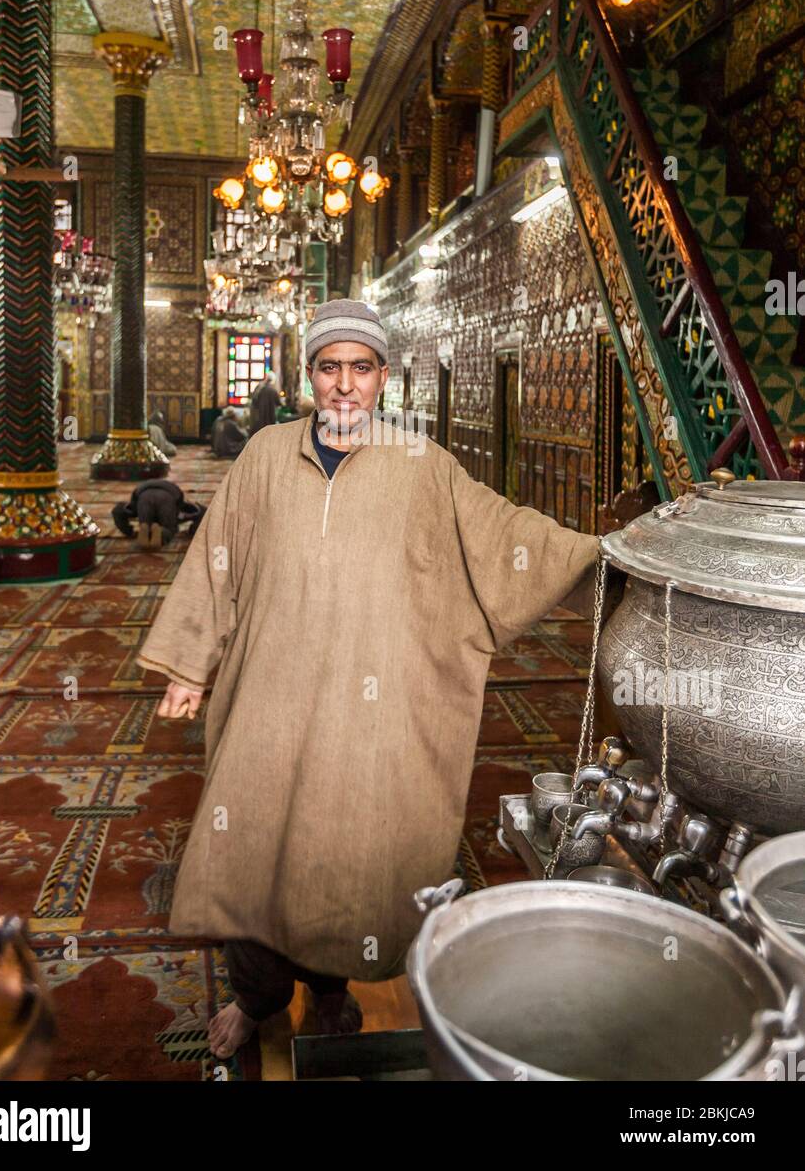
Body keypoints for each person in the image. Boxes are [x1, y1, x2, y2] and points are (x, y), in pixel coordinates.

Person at [137, 298, 600, 1059]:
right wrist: (190, 664)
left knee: (343, 852)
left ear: (383, 377)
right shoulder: (263, 455)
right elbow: (215, 558)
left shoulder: (425, 467)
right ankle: (255, 1002)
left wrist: (608, 554)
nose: (344, 385)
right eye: (329, 368)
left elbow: (506, 534)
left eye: (360, 368)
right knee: (250, 848)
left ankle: (330, 991)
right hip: (265, 697)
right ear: (308, 375)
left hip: (369, 708)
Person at [112, 479, 205, 549]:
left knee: (146, 524)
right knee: (169, 528)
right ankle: (162, 533)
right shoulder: (181, 504)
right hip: (167, 498)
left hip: (143, 497)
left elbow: (118, 511)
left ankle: (145, 529)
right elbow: (201, 512)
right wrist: (192, 530)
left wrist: (129, 532)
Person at [248, 372, 279, 436]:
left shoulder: (259, 387)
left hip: (259, 417)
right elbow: (278, 402)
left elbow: (254, 401)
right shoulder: (273, 390)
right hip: (269, 417)